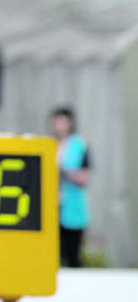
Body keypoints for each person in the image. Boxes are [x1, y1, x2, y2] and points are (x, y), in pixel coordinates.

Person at [51, 106, 91, 267]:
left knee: (73, 255)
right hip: (53, 206)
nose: (60, 126)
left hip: (72, 207)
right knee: (54, 255)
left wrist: (63, 170)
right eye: (56, 122)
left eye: (63, 122)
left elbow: (84, 177)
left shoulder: (80, 146)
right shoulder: (49, 145)